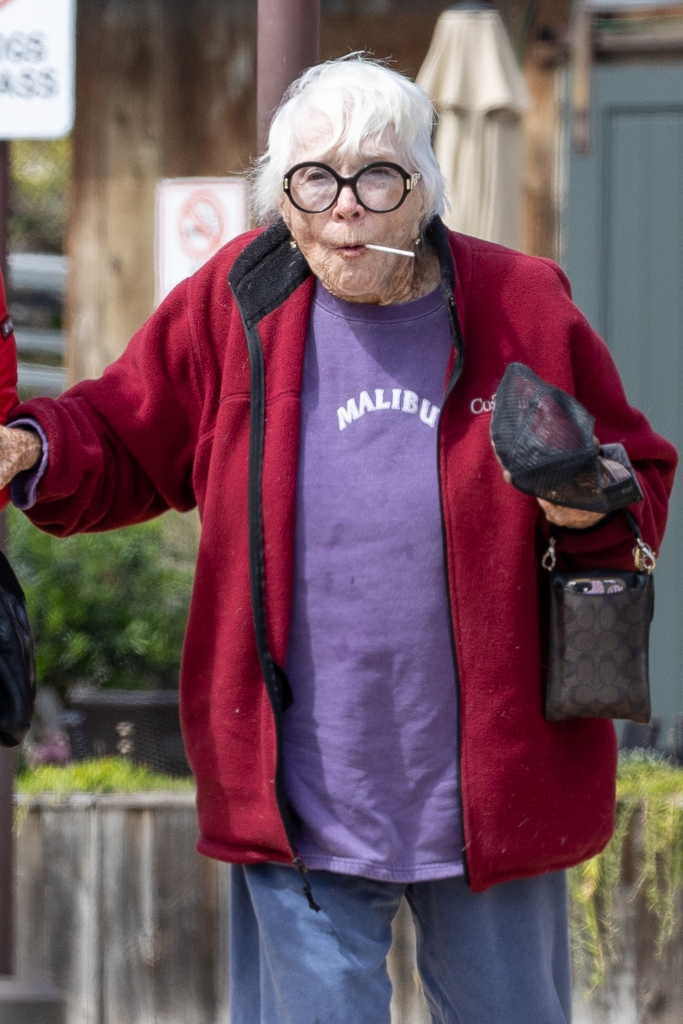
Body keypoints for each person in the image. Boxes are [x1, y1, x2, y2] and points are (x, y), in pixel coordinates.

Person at [0, 57, 677, 1024]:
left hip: (491, 779)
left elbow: (635, 469)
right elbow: (124, 430)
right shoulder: (238, 301)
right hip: (302, 785)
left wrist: (585, 504)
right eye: (314, 180)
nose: (346, 208)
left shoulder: (520, 302)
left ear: (424, 187)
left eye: (377, 176)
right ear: (282, 198)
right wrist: (32, 445)